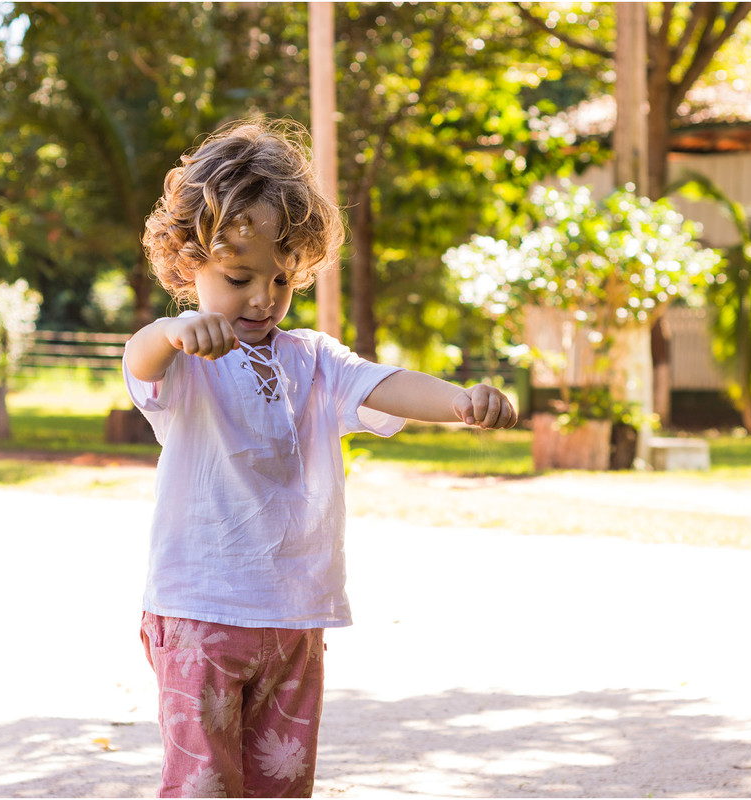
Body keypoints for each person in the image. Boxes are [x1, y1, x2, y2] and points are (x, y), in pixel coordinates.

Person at [123, 118, 516, 798]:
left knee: (283, 784)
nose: (262, 299)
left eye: (281, 280)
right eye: (240, 276)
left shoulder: (312, 360)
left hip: (294, 617)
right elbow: (140, 357)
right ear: (192, 263)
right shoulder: (183, 360)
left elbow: (383, 383)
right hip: (200, 612)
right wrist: (175, 330)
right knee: (203, 786)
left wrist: (461, 400)